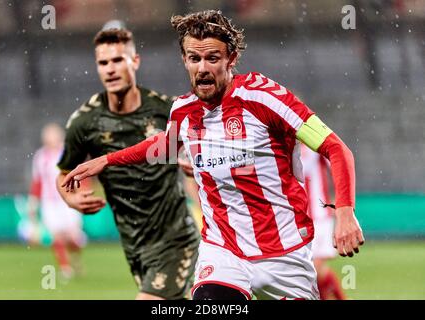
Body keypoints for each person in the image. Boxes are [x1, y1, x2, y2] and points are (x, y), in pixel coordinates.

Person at [61, 10, 365, 300]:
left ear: (231, 59)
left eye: (212, 58)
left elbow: (335, 148)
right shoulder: (182, 111)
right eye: (194, 58)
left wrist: (345, 212)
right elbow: (163, 148)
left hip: (283, 253)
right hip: (223, 251)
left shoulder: (264, 98)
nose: (202, 68)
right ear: (185, 60)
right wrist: (103, 160)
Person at [55, 28, 200, 300]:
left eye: (118, 60)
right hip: (134, 245)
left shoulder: (166, 110)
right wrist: (70, 199)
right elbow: (64, 173)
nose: (110, 69)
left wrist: (194, 163)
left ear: (135, 61)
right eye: (103, 62)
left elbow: (198, 149)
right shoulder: (85, 122)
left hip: (175, 238)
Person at [28, 123, 86, 280]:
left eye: (52, 135)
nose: (49, 139)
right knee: (57, 236)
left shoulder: (68, 153)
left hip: (67, 200)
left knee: (73, 238)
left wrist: (80, 194)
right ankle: (65, 268)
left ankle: (75, 258)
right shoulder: (40, 157)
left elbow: (80, 175)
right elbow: (37, 181)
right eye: (47, 136)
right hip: (50, 202)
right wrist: (33, 202)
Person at [301, 144, 346, 300]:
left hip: (320, 217)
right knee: (309, 270)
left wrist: (340, 201)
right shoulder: (285, 145)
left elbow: (337, 167)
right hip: (298, 219)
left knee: (315, 266)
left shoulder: (315, 144)